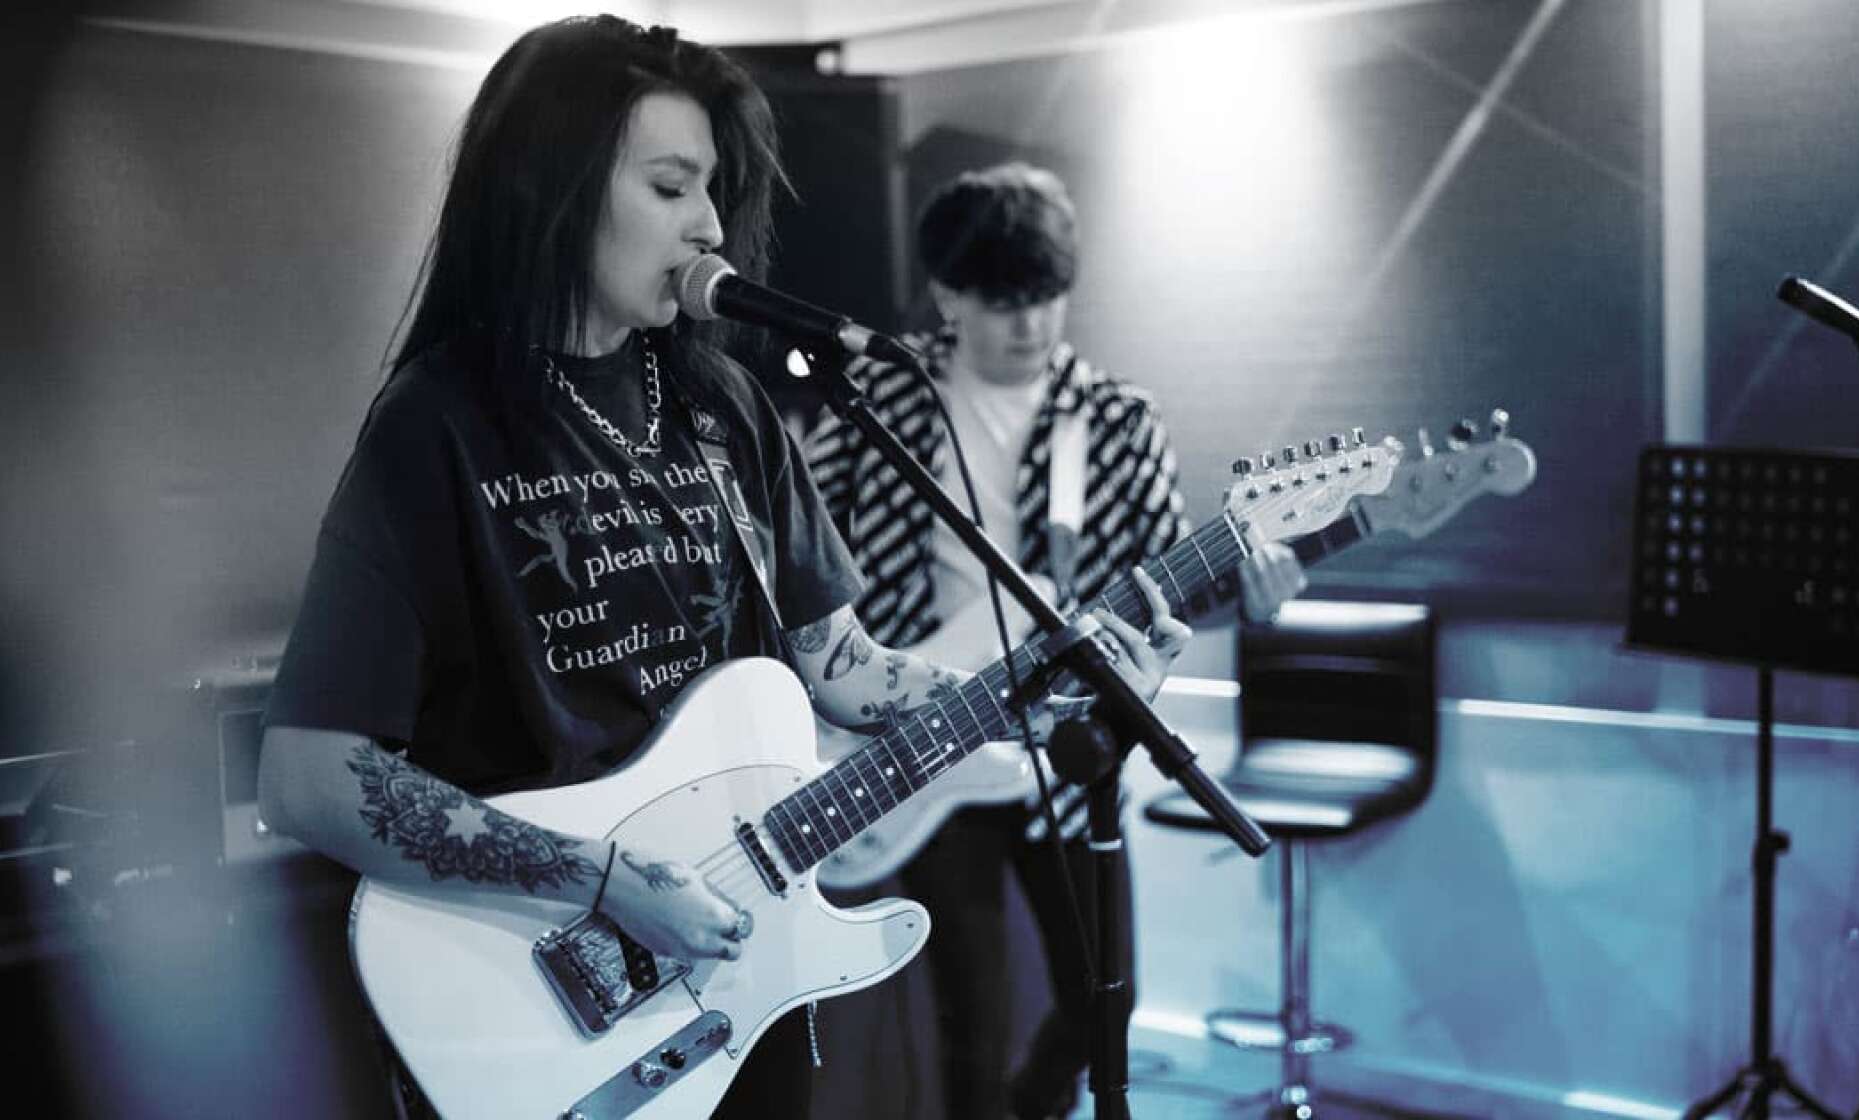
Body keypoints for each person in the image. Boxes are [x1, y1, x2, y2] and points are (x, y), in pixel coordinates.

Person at [254, 23, 1190, 1120]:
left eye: (713, 188)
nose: (708, 223)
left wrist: (1062, 686)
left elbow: (843, 667)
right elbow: (310, 776)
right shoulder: (438, 426)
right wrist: (600, 877)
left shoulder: (724, 409)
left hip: (739, 976)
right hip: (535, 992)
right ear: (553, 188)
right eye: (670, 186)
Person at [804, 163, 1307, 1120]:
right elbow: (805, 558)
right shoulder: (877, 397)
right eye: (1002, 302)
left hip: (1069, 744)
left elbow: (1169, 585)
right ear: (948, 294)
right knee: (972, 1020)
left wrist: (1250, 593)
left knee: (1102, 1004)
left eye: (1045, 298)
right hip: (928, 740)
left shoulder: (1118, 420)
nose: (1030, 325)